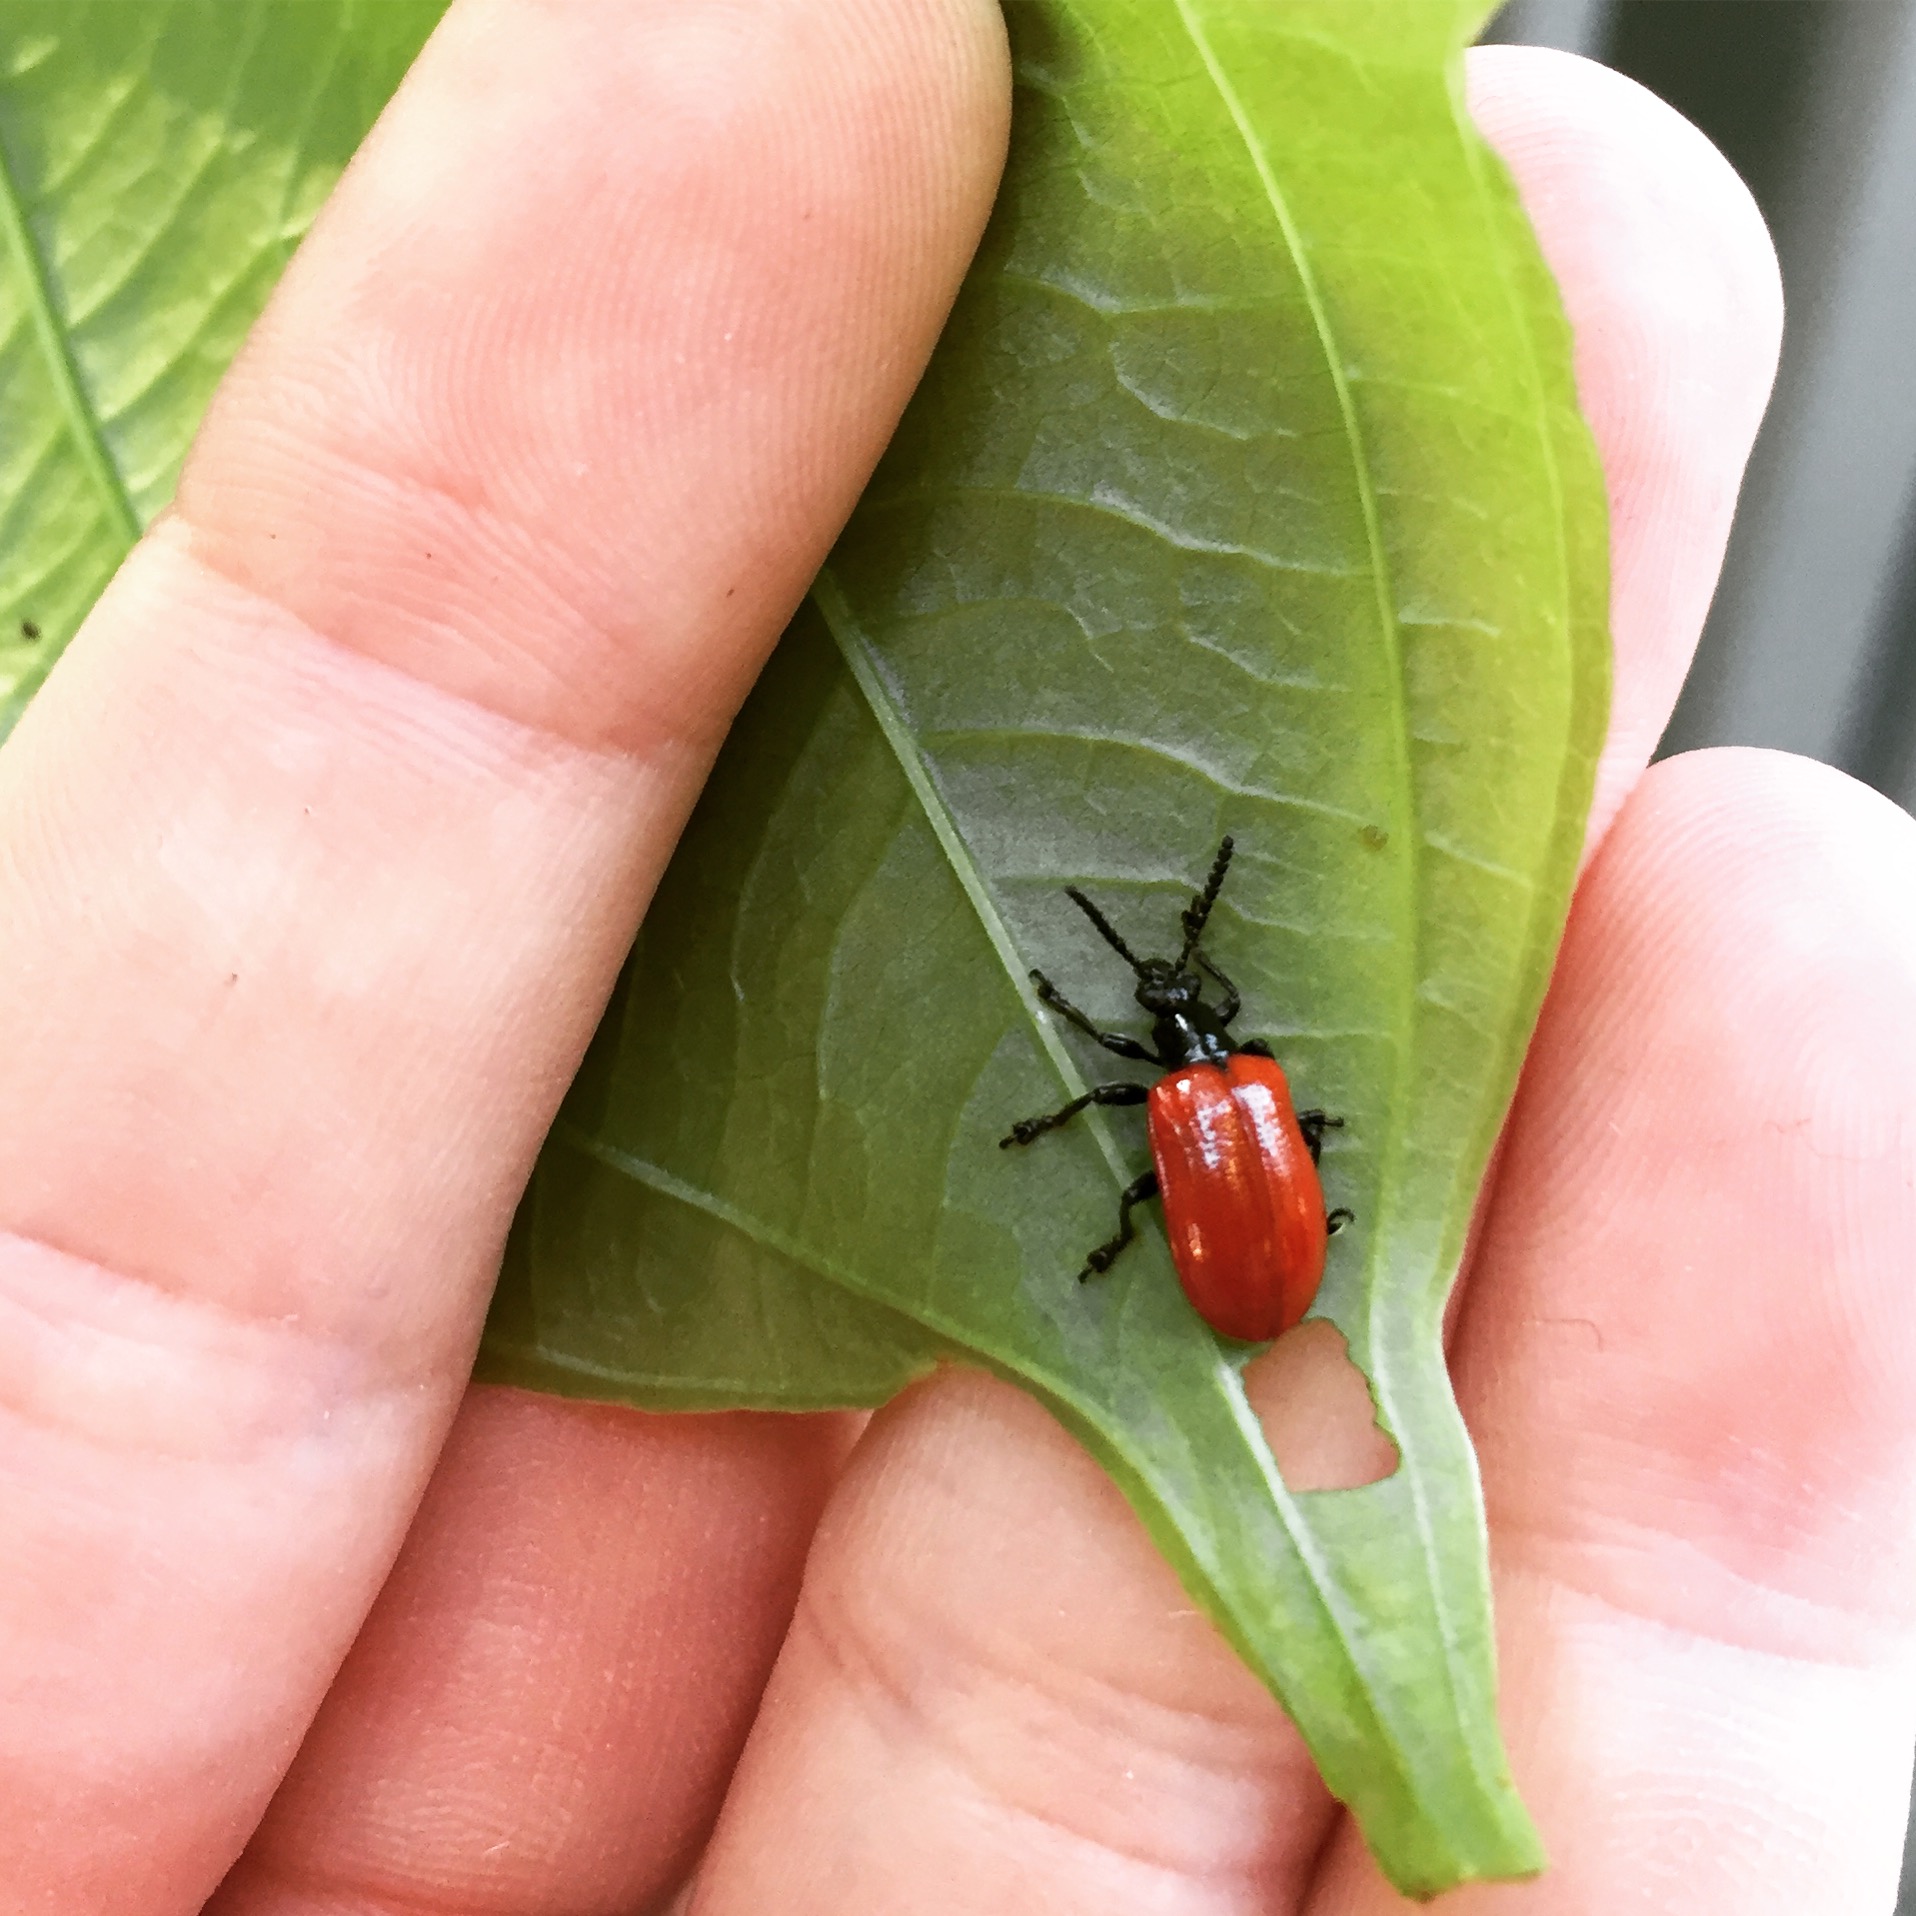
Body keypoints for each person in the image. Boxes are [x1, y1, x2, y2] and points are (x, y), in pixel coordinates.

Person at [3, 2, 1912, 1910]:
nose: (1172, 1024)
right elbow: (1231, 1172)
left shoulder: (1200, 1098)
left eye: (1167, 1011)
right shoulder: (1234, 1092)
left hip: (1232, 1267)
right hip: (1245, 1273)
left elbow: (1199, 1168)